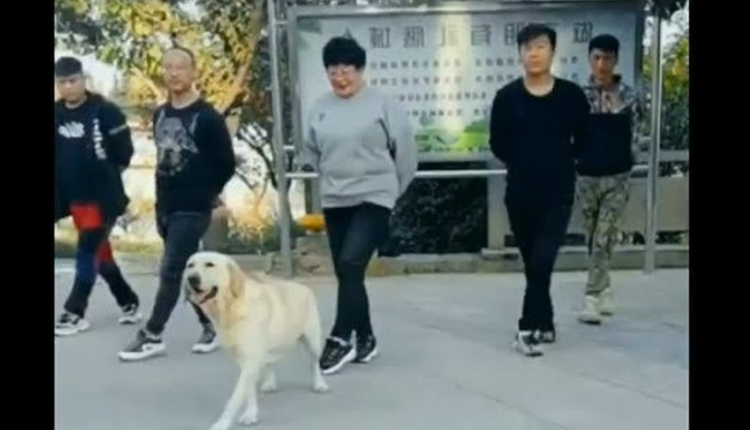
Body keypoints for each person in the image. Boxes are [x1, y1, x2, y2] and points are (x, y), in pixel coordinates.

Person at [299, 36, 418, 374]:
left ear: (361, 70)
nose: (340, 78)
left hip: (374, 196)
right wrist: (323, 174)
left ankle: (340, 337)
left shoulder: (382, 105)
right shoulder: (320, 107)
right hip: (336, 199)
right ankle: (366, 338)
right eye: (333, 72)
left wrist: (392, 191)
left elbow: (406, 153)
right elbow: (312, 150)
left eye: (347, 70)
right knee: (346, 272)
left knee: (351, 263)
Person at [118, 46, 236, 362]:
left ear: (193, 72)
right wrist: (160, 204)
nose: (174, 73)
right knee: (185, 269)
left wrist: (207, 193)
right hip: (167, 205)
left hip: (194, 206)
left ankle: (152, 335)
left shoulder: (207, 117)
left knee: (170, 270)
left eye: (180, 66)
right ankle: (212, 325)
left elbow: (227, 163)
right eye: (168, 66)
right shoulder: (161, 114)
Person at [488, 24, 589, 357]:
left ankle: (526, 327)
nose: (534, 53)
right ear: (520, 53)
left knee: (543, 259)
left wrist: (559, 159)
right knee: (533, 262)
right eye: (528, 47)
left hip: (558, 191)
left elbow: (583, 139)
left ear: (552, 51)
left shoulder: (571, 96)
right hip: (520, 191)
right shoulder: (507, 98)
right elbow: (498, 143)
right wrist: (525, 159)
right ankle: (545, 319)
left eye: (541, 46)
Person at [54, 56, 142, 337]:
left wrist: (105, 173)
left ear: (83, 80)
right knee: (100, 253)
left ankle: (74, 312)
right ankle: (128, 301)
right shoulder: (56, 113)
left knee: (87, 250)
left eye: (73, 81)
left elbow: (124, 153)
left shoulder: (105, 111)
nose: (68, 87)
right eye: (62, 82)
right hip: (72, 198)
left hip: (102, 198)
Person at [576, 34, 643, 325]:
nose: (602, 64)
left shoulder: (629, 96)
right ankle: (604, 288)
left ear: (616, 60)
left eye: (607, 58)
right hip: (586, 177)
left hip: (617, 176)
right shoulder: (578, 97)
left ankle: (591, 297)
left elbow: (637, 133)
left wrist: (629, 163)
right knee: (592, 237)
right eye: (597, 58)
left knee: (604, 234)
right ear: (590, 60)